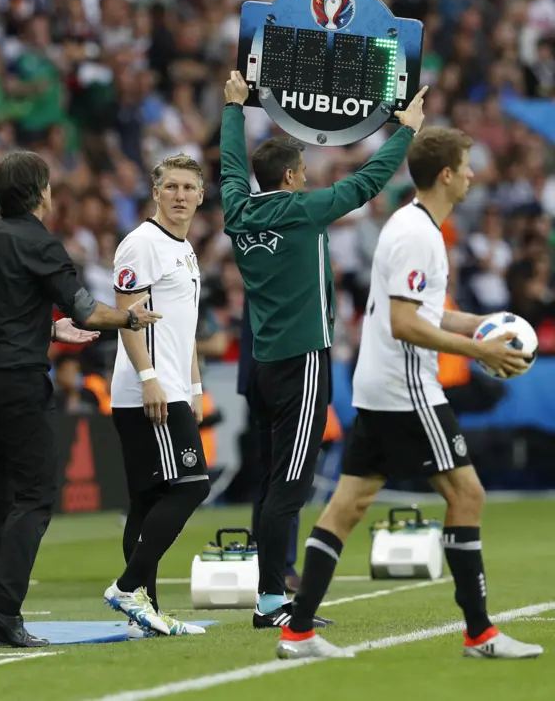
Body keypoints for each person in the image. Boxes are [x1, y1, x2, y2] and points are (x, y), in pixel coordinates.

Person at [276, 126, 544, 660]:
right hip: (406, 386)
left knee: (348, 504)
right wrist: (481, 352)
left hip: (380, 382)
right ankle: (481, 634)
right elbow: (404, 324)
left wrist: (479, 323)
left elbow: (422, 312)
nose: (472, 174)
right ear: (446, 174)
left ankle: (298, 632)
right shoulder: (420, 235)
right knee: (467, 495)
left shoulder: (410, 224)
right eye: (466, 165)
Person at [220, 70, 428, 629]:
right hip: (304, 357)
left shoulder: (237, 212)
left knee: (272, 481)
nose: (308, 176)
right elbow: (367, 184)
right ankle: (274, 601)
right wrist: (404, 132)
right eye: (303, 170)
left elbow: (231, 170)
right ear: (290, 176)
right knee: (292, 484)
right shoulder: (299, 210)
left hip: (263, 362)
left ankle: (268, 599)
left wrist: (234, 109)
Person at [0, 150, 160, 649]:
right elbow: (90, 310)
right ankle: (3, 607)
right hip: (18, 382)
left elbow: (1, 313)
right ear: (40, 192)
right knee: (36, 495)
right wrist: (131, 319)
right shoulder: (40, 243)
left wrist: (49, 329)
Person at [104, 153, 210, 637]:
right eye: (172, 187)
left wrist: (195, 386)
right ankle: (129, 587)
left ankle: (145, 613)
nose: (181, 196)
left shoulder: (184, 248)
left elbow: (183, 328)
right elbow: (128, 316)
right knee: (192, 486)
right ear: (155, 191)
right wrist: (150, 377)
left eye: (189, 187)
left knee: (148, 501)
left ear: (201, 195)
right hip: (146, 389)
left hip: (171, 385)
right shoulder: (141, 244)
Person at [238, 295, 302, 594]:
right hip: (279, 374)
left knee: (270, 475)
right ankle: (280, 568)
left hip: (257, 375)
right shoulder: (283, 272)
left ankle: (267, 566)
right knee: (287, 474)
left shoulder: (260, 265)